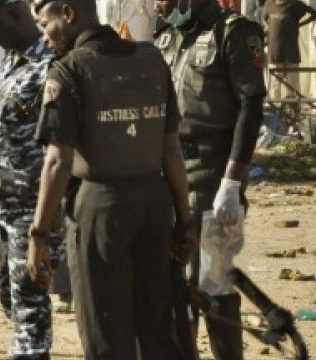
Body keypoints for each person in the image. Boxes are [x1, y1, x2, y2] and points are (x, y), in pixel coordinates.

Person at [27, 0, 196, 358]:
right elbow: (173, 153)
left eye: (45, 25)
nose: (45, 38)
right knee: (159, 325)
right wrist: (184, 222)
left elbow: (58, 161)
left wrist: (38, 233)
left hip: (101, 210)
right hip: (155, 204)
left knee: (105, 330)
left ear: (68, 14)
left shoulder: (69, 71)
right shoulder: (152, 60)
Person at [155, 0, 268, 358]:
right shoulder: (166, 38)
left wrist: (233, 181)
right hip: (169, 173)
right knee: (174, 288)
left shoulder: (233, 33)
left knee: (214, 285)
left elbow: (252, 103)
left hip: (214, 173)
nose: (158, 6)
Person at [0, 0, 60, 358]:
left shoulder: (52, 66)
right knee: (10, 301)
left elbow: (61, 147)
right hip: (4, 207)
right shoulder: (10, 62)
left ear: (13, 14)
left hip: (33, 210)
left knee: (30, 309)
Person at [264, 0, 316, 116]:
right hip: (275, 53)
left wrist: (300, 24)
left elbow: (313, 13)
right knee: (275, 89)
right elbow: (266, 19)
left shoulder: (295, 5)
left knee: (292, 90)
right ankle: (276, 119)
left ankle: (294, 117)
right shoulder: (269, 4)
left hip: (291, 53)